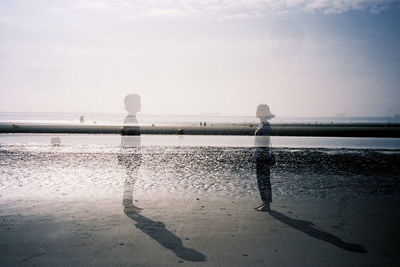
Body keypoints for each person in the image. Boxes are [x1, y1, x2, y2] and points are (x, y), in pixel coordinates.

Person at [120, 94, 142, 213]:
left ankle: (127, 203)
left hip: (130, 154)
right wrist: (135, 154)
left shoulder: (130, 118)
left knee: (130, 178)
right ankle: (128, 205)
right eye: (138, 102)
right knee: (130, 178)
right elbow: (129, 140)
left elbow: (124, 139)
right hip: (131, 154)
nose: (140, 105)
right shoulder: (131, 120)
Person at [254, 104, 275, 212]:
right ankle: (264, 202)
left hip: (263, 156)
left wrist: (262, 155)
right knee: (261, 180)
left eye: (258, 110)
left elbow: (266, 141)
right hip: (260, 155)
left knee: (264, 180)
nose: (256, 112)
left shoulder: (265, 125)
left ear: (262, 112)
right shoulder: (261, 124)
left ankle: (267, 204)